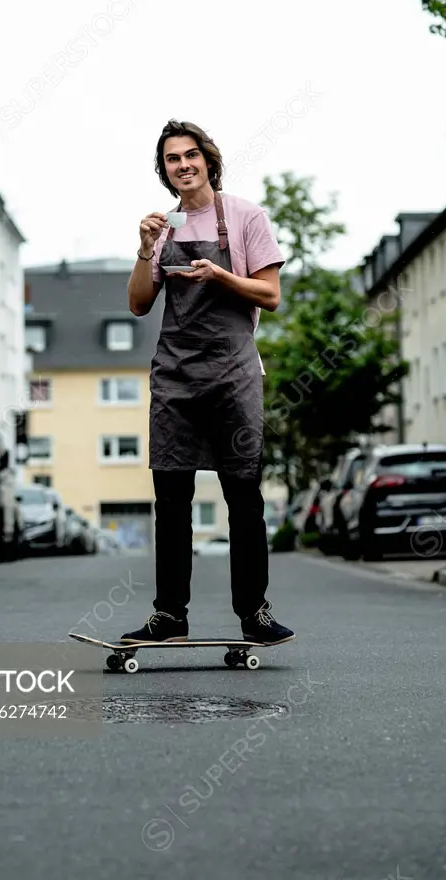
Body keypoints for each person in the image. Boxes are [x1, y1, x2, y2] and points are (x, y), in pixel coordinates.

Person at [121, 119, 295, 647]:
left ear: (208, 160)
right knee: (170, 496)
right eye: (173, 159)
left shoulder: (244, 216)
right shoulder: (163, 226)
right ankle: (170, 615)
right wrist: (144, 249)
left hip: (232, 374)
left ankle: (255, 614)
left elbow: (269, 294)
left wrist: (219, 276)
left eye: (190, 155)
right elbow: (138, 303)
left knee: (243, 494)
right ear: (165, 170)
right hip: (175, 375)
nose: (183, 165)